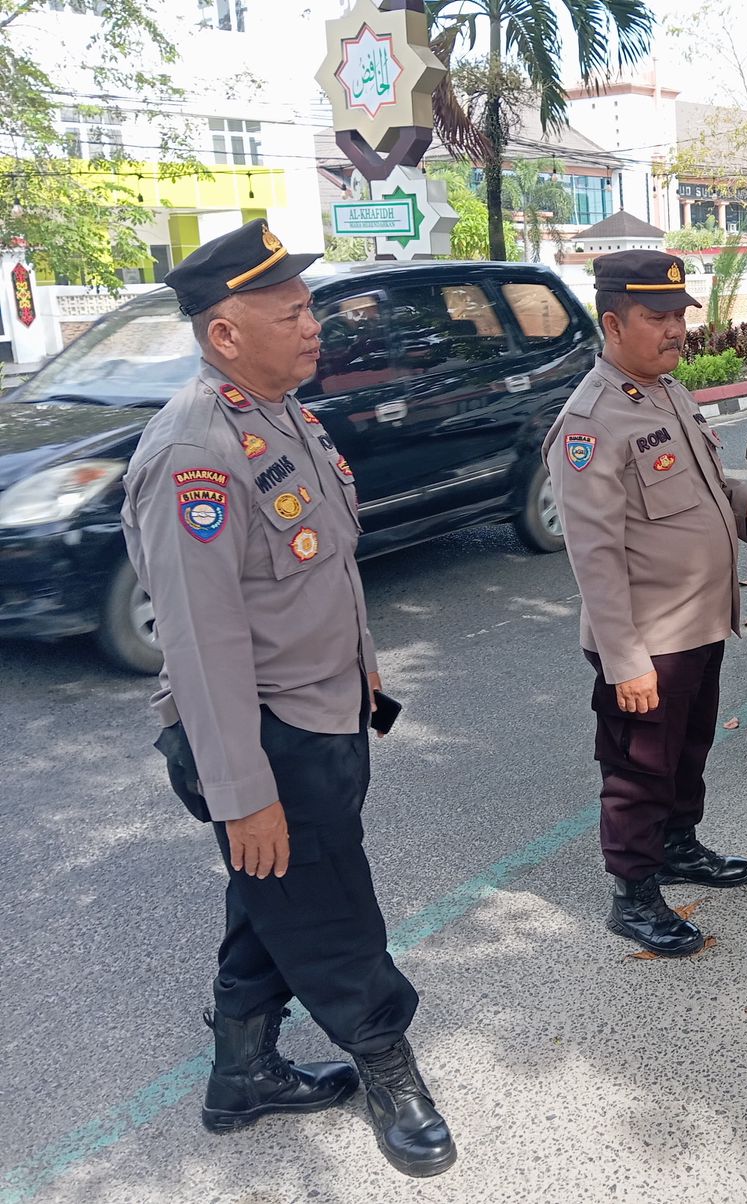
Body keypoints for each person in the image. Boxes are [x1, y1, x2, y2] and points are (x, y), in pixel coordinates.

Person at [121, 221, 456, 1179]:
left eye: (309, 307)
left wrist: (361, 666)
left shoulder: (282, 415)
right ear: (225, 335)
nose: (315, 327)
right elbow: (202, 642)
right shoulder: (196, 453)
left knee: (271, 894)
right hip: (263, 741)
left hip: (322, 711)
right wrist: (244, 793)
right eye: (291, 313)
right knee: (332, 912)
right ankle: (389, 1064)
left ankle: (241, 1074)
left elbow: (316, 574)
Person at [544, 249, 747, 958]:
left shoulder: (668, 392)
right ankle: (635, 894)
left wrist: (746, 503)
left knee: (687, 751)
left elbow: (704, 482)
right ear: (613, 322)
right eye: (658, 316)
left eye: (680, 314)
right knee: (638, 769)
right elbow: (594, 555)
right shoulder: (591, 423)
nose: (676, 329)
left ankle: (679, 843)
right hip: (646, 641)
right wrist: (626, 661)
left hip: (697, 625)